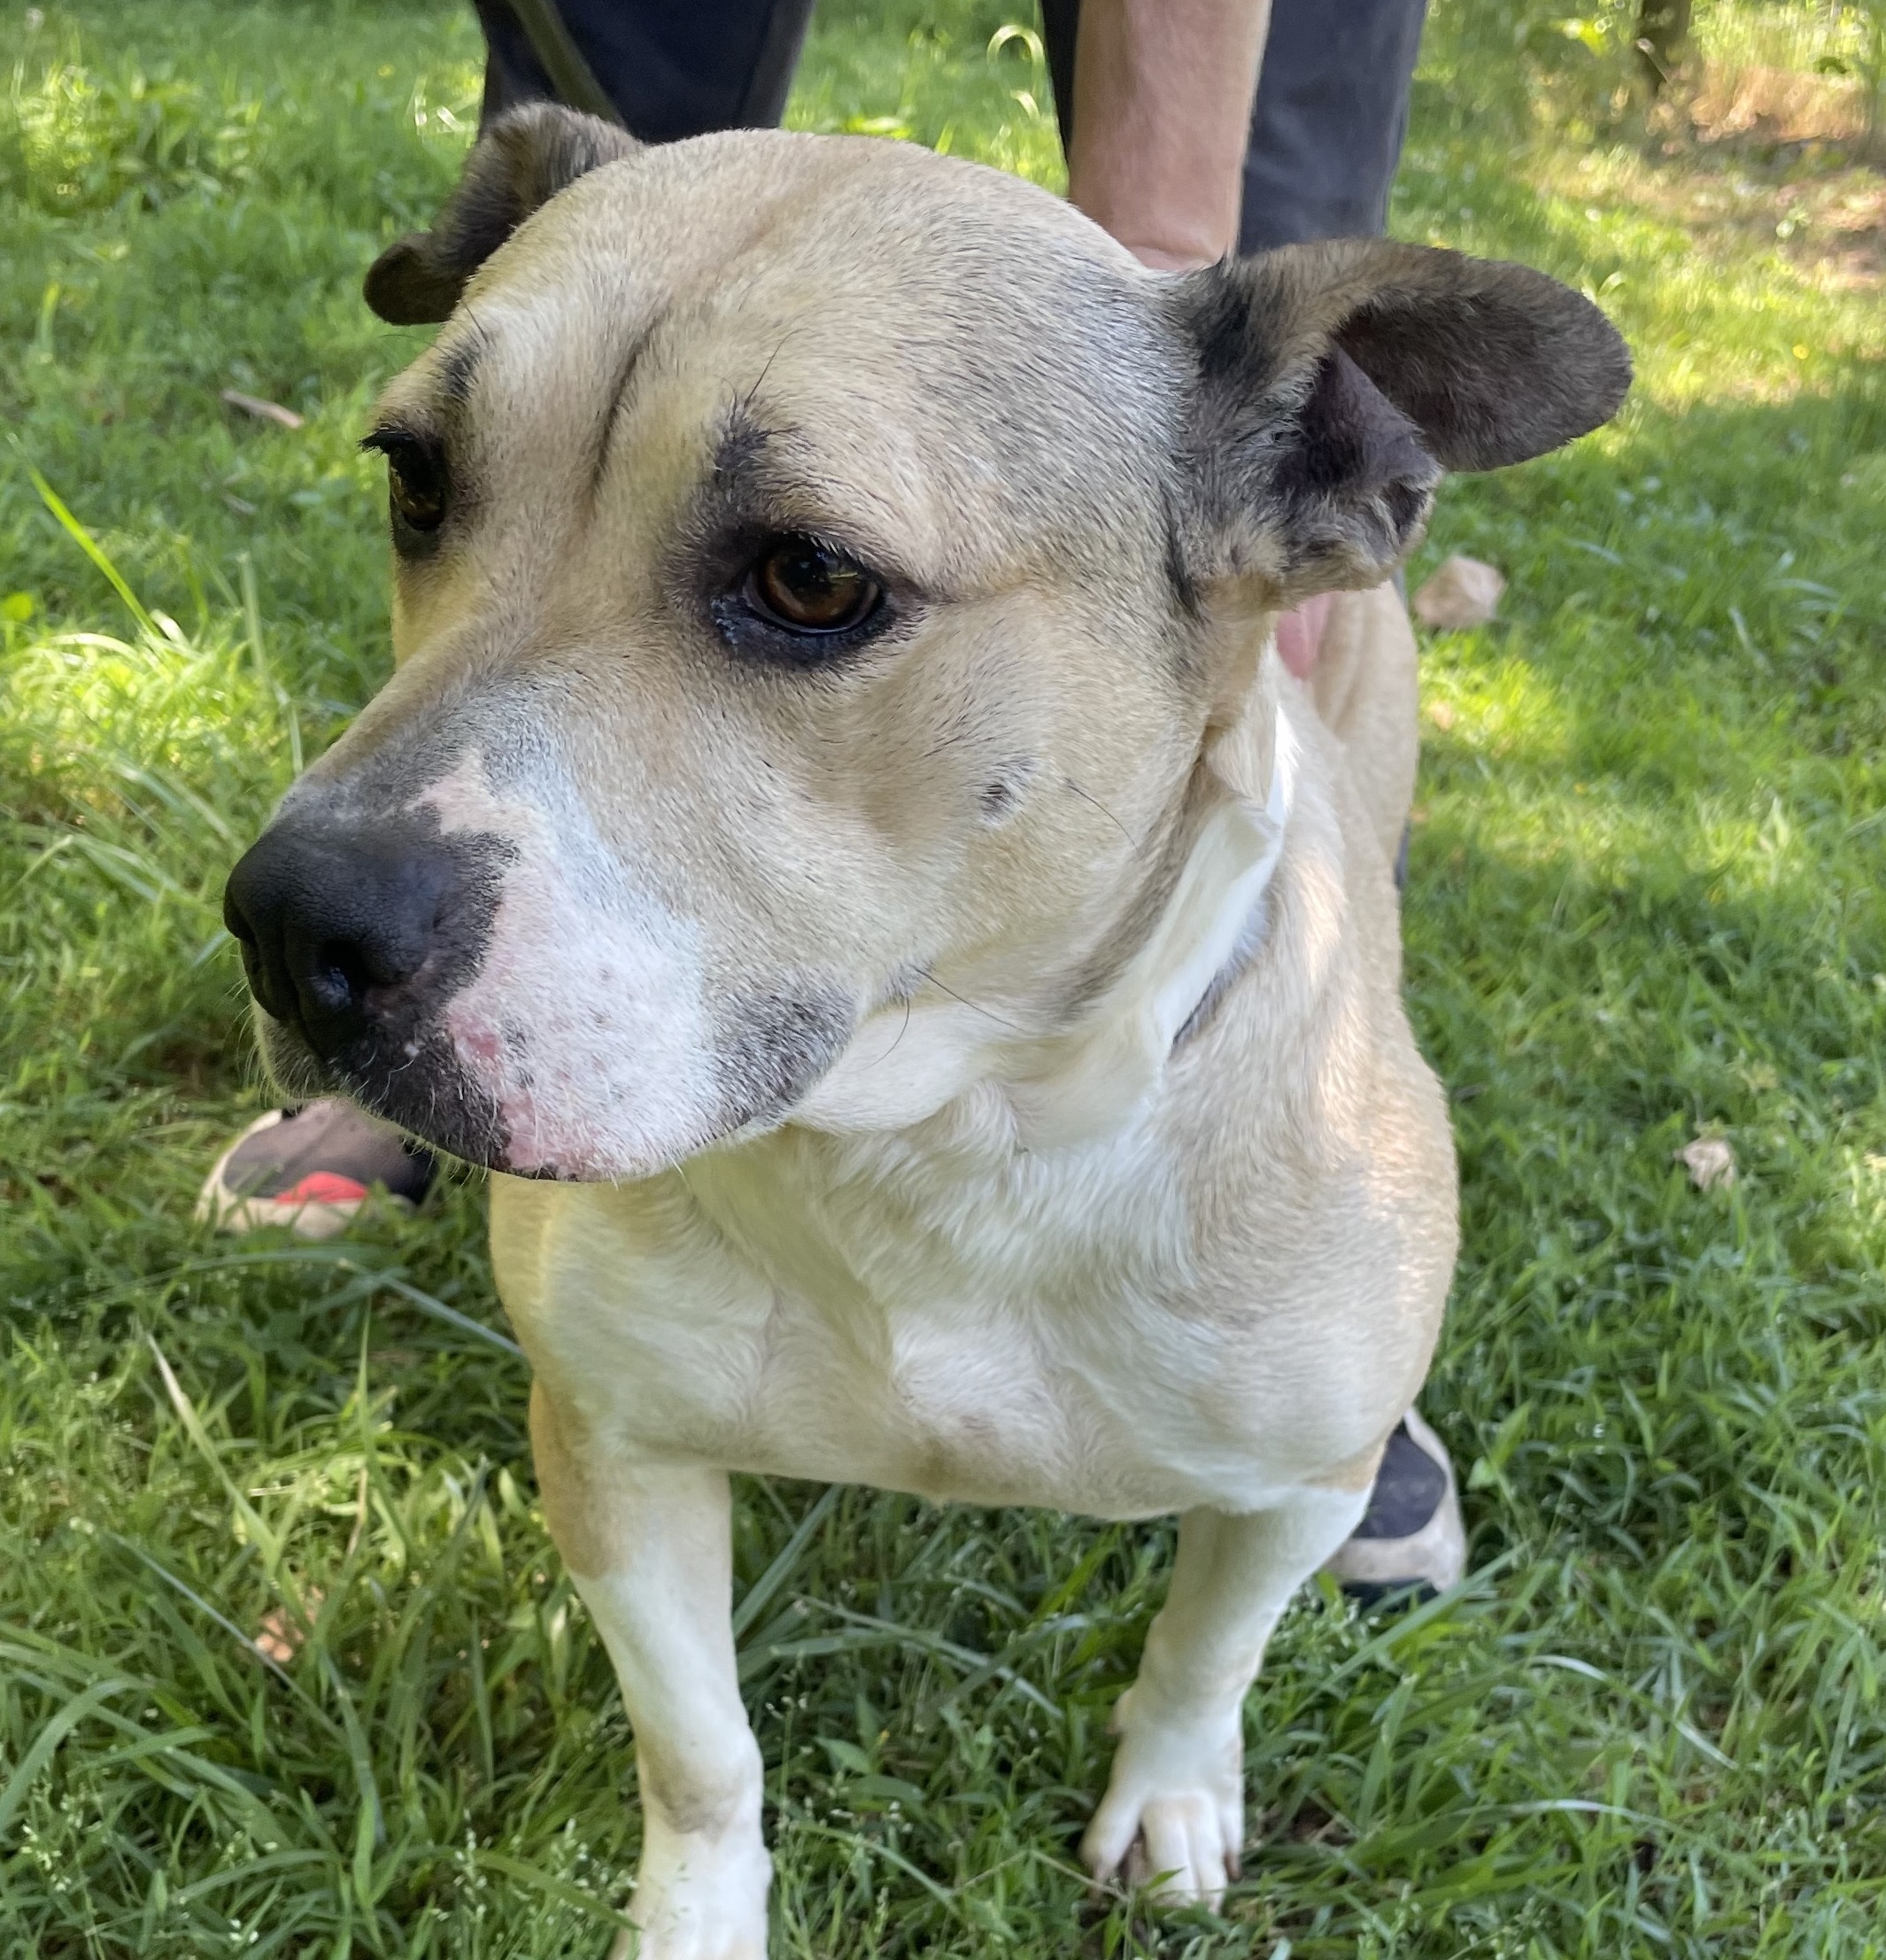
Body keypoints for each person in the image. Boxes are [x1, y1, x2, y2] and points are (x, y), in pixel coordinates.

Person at [200, 0, 1462, 1597]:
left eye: (802, 580)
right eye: (431, 485)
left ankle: (1320, 1372)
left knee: (1289, 183)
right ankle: (494, 1069)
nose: (313, 863)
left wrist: (1164, 345)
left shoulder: (1244, 457)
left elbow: (1212, 345)